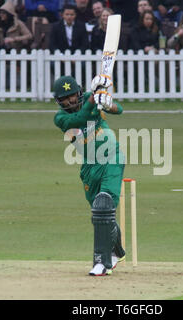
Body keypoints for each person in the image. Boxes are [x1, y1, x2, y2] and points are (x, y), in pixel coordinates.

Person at [53, 74, 126, 276]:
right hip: (89, 166)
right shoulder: (60, 118)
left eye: (72, 95)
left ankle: (102, 263)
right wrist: (94, 100)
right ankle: (117, 251)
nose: (70, 100)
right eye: (65, 98)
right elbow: (80, 119)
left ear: (79, 92)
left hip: (111, 156)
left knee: (105, 204)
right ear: (59, 101)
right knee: (99, 214)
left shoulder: (92, 97)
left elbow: (119, 110)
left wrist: (107, 103)